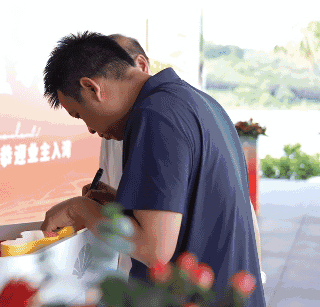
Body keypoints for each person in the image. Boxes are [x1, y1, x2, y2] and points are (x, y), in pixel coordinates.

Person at [42, 31, 266, 305]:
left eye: (79, 114)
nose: (89, 128)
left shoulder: (154, 116)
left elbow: (154, 249)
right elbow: (190, 213)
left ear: (92, 88)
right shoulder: (194, 100)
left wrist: (80, 209)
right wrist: (118, 205)